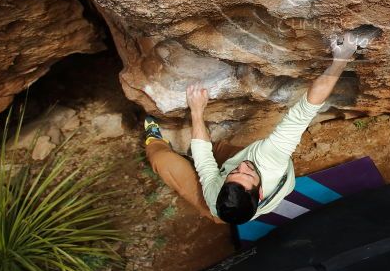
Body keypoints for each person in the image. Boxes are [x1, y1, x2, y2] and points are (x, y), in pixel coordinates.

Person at [143, 32, 362, 224]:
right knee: (215, 151)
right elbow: (307, 107)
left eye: (234, 173)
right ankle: (190, 151)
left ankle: (155, 142)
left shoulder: (213, 197)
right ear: (260, 193)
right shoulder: (270, 160)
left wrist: (196, 110)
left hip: (218, 204)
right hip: (271, 168)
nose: (243, 167)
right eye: (244, 173)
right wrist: (341, 58)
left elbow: (204, 161)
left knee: (163, 161)